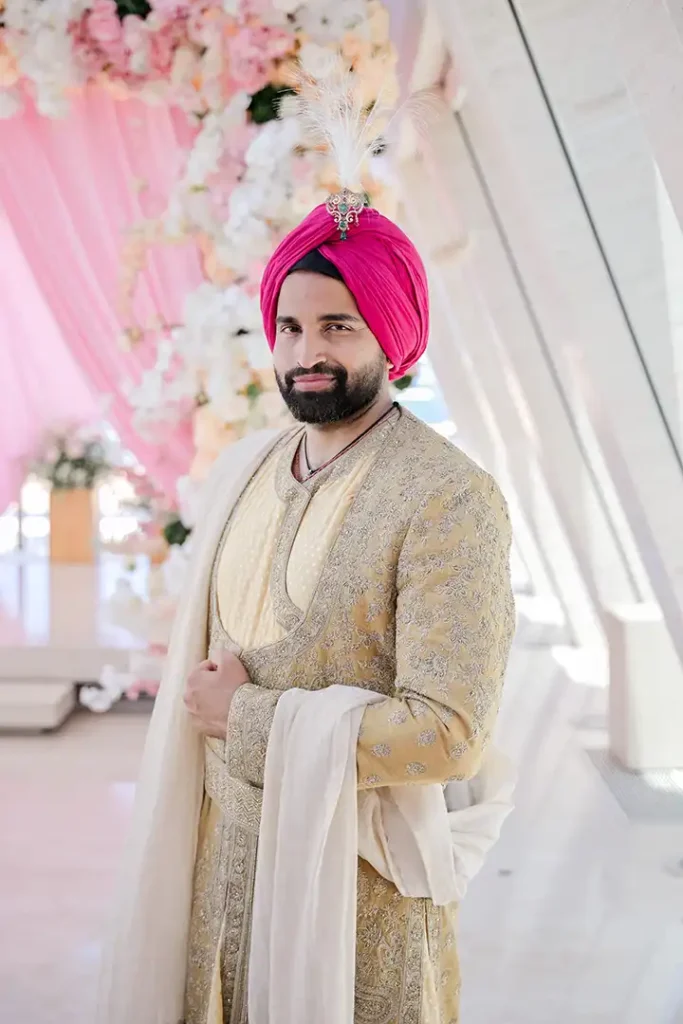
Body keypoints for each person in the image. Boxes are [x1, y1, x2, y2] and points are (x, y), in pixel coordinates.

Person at [97, 194, 516, 1024]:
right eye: (289, 327)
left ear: (391, 332)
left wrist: (247, 718)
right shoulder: (249, 469)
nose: (305, 353)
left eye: (337, 326)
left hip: (358, 902)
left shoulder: (448, 498)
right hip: (219, 880)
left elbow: (450, 732)